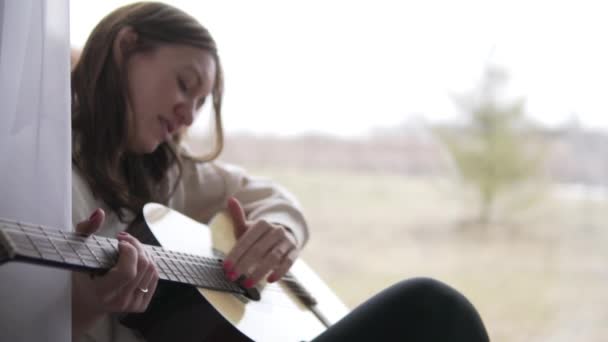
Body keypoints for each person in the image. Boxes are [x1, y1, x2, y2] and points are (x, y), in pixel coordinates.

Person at [70, 2, 489, 342]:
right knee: (431, 308)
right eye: (185, 83)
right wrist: (87, 305)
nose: (188, 115)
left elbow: (273, 197)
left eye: (200, 103)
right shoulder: (43, 172)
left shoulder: (167, 174)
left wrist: (279, 233)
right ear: (125, 47)